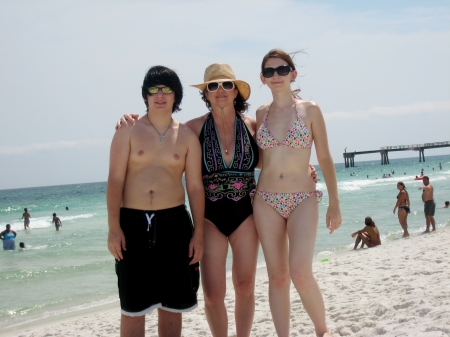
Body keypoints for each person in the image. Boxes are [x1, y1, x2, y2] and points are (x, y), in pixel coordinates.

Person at [116, 63, 318, 337]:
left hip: (246, 212)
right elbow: (160, 135)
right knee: (212, 294)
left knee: (245, 286)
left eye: (226, 84)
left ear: (236, 91)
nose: (220, 90)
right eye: (213, 86)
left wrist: (304, 168)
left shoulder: (253, 125)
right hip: (209, 216)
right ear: (206, 94)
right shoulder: (192, 129)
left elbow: (276, 153)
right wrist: (129, 119)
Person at [107, 65, 205, 337]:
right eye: (153, 89)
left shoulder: (186, 136)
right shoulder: (127, 129)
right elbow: (115, 180)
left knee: (172, 304)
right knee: (132, 305)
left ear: (176, 96)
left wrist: (199, 234)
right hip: (132, 224)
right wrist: (114, 228)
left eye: (167, 89)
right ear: (145, 95)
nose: (159, 95)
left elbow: (195, 187)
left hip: (174, 222)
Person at [253, 49, 341, 337]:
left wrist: (334, 203)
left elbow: (325, 157)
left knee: (300, 272)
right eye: (269, 71)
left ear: (293, 73)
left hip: (303, 198)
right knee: (277, 277)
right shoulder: (261, 113)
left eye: (282, 69)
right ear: (262, 79)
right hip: (266, 200)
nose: (275, 75)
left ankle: (322, 330)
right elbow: (261, 159)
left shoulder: (310, 110)